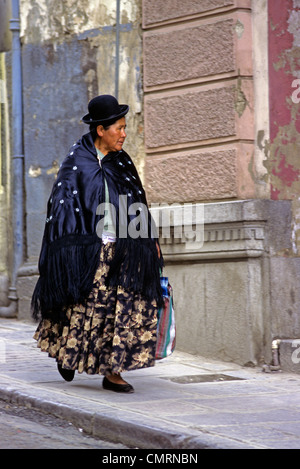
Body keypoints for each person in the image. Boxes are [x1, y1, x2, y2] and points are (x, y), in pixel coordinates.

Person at [31, 95, 164, 393]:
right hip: (87, 252)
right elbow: (61, 209)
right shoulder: (76, 162)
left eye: (125, 127)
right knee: (84, 308)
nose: (124, 133)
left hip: (124, 249)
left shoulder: (123, 162)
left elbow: (137, 203)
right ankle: (67, 354)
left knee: (122, 308)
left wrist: (148, 241)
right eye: (119, 127)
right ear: (101, 130)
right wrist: (67, 252)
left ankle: (113, 372)